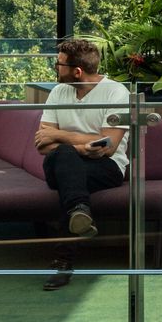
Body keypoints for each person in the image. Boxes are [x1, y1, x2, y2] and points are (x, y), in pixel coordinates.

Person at [36, 37, 130, 292]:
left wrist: (60, 136)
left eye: (59, 64)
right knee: (66, 158)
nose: (56, 68)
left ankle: (64, 260)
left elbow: (108, 145)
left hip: (107, 167)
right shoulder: (57, 92)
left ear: (77, 71)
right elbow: (43, 145)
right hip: (61, 164)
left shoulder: (116, 92)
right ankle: (79, 211)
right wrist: (77, 147)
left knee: (70, 177)